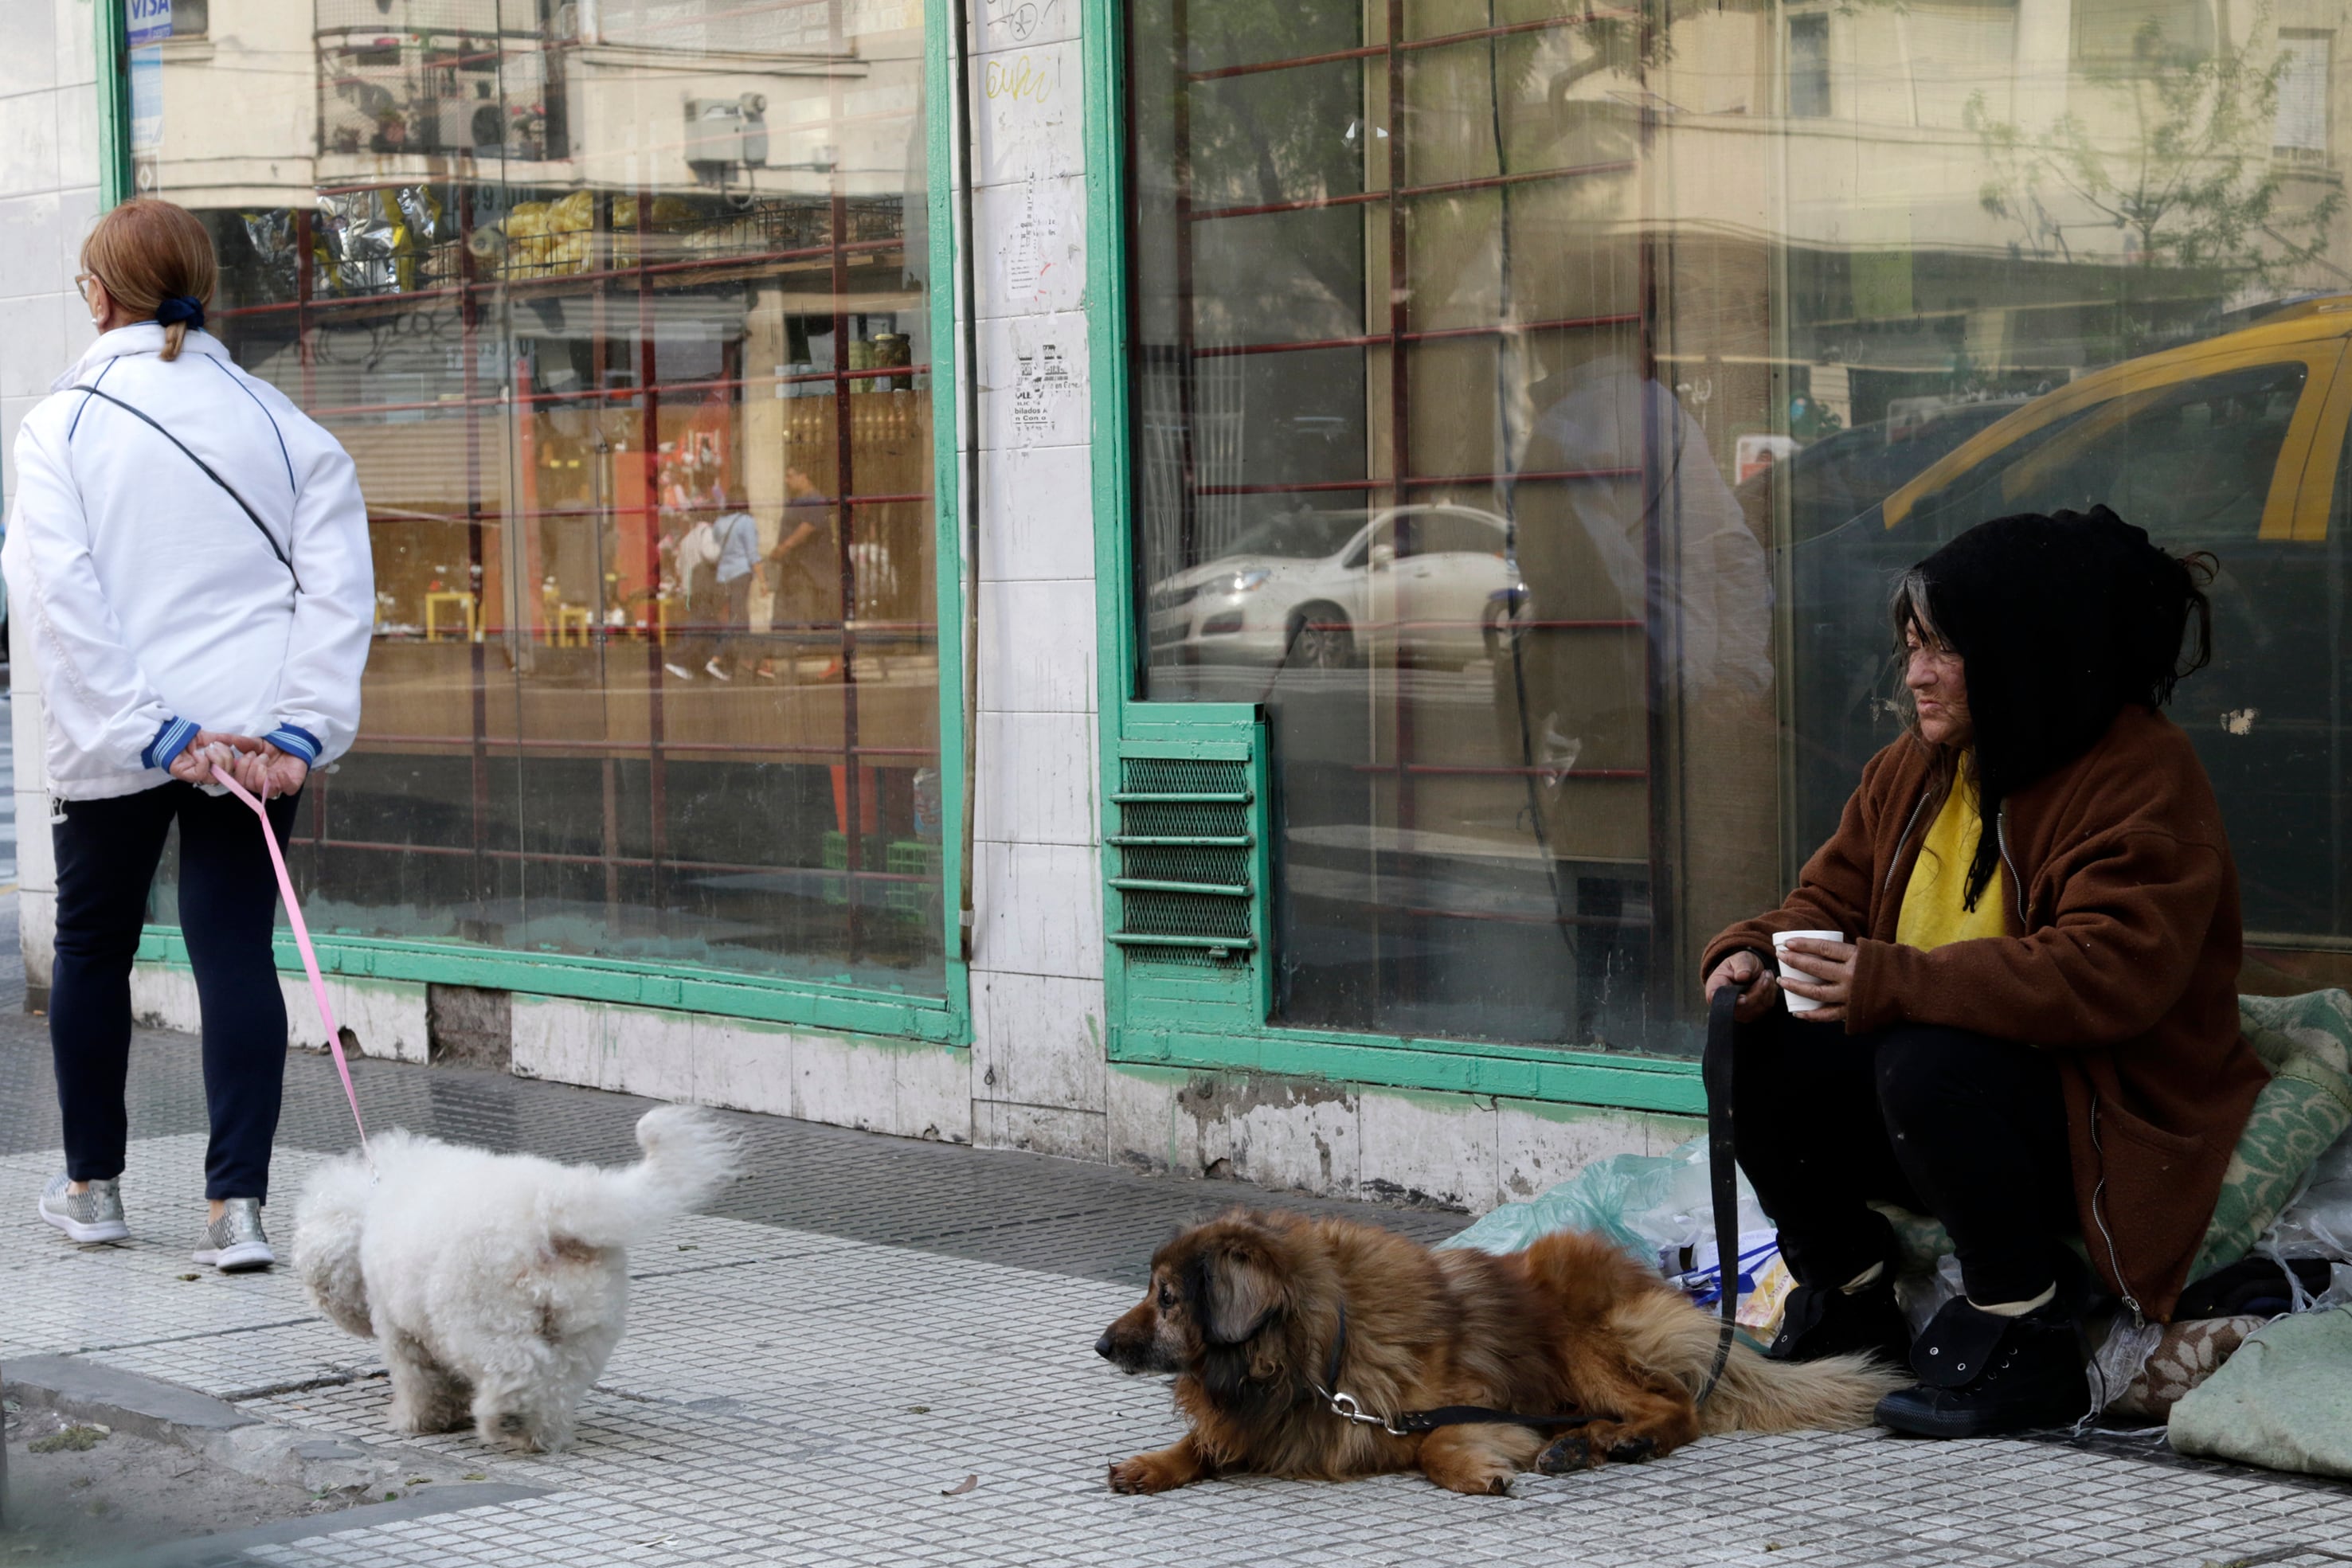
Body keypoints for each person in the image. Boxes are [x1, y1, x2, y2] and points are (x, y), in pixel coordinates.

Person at [1700, 506, 2264, 1439]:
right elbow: (1824, 903)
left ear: (2022, 651)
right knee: (1758, 1044)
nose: (1914, 674)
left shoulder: (2140, 777)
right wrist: (1754, 953)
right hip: (1947, 1118)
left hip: (2099, 1112)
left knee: (1924, 1056)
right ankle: (1852, 1297)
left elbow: (2107, 972)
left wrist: (1891, 981)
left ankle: (2021, 1329)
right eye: (1911, 645)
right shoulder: (1915, 768)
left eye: (1942, 650)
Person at [2, 199, 374, 1272]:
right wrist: (301, 729)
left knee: (91, 950)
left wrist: (154, 731)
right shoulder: (279, 420)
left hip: (119, 738)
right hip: (255, 741)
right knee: (234, 952)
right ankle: (238, 1211)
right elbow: (339, 589)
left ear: (98, 292)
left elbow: (55, 596)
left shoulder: (58, 423)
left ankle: (95, 1189)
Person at [706, 488, 760, 681]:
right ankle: (718, 658)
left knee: (733, 619)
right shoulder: (747, 522)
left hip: (722, 577)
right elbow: (753, 554)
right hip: (740, 575)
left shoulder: (720, 523)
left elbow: (717, 548)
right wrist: (763, 579)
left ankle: (745, 660)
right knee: (739, 619)